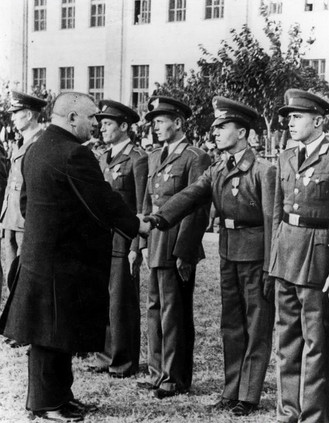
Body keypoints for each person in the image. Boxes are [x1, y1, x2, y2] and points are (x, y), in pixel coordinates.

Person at [0, 92, 150, 422]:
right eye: (90, 117)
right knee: (50, 335)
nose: (95, 124)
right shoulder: (73, 154)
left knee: (56, 330)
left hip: (42, 254)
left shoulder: (38, 147)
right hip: (61, 259)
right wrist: (137, 226)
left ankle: (60, 397)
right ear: (71, 118)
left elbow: (26, 204)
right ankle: (46, 404)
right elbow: (103, 201)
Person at [144, 96, 276, 415]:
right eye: (215, 127)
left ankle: (249, 395)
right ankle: (232, 390)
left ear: (242, 132)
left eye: (222, 126)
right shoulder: (219, 168)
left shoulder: (263, 170)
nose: (215, 132)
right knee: (230, 325)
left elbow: (273, 220)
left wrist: (272, 266)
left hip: (257, 254)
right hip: (229, 252)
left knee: (256, 325)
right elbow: (191, 194)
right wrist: (158, 218)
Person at [139, 96, 211, 399]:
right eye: (154, 121)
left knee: (174, 312)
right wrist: (141, 242)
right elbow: (147, 201)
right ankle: (157, 373)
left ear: (179, 123)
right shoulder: (155, 155)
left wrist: (184, 251)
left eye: (161, 120)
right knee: (155, 309)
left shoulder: (195, 157)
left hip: (175, 244)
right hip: (155, 241)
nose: (155, 127)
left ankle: (174, 377)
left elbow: (196, 208)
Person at [269, 89, 329, 423]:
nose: (291, 123)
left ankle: (313, 415)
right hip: (288, 251)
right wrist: (275, 257)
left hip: (319, 254)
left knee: (316, 341)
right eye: (289, 117)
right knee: (287, 338)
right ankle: (287, 412)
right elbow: (278, 212)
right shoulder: (286, 157)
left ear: (319, 120)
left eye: (298, 117)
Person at [88, 100, 148, 378]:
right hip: (104, 239)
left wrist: (137, 245)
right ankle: (105, 354)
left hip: (125, 239)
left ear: (124, 126)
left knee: (123, 300)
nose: (103, 129)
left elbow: (141, 207)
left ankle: (124, 361)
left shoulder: (138, 158)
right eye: (101, 124)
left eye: (108, 124)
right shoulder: (103, 157)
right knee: (105, 298)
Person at [0, 91, 46, 297]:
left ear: (29, 115)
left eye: (16, 112)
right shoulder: (21, 141)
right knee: (11, 277)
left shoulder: (40, 143)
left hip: (25, 221)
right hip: (10, 218)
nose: (13, 117)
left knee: (24, 280)